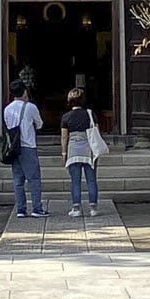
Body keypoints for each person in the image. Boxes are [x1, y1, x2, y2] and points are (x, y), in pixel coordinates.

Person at [3, 80, 47, 217]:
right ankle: (36, 208)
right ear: (24, 91)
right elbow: (39, 124)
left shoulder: (7, 109)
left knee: (18, 180)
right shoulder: (30, 107)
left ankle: (21, 209)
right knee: (34, 178)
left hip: (13, 147)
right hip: (28, 145)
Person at [60, 87, 101, 217]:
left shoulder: (66, 117)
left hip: (73, 149)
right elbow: (96, 131)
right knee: (91, 180)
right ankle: (93, 208)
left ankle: (76, 208)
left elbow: (64, 137)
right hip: (89, 149)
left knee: (75, 181)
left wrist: (64, 153)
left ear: (70, 101)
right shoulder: (90, 114)